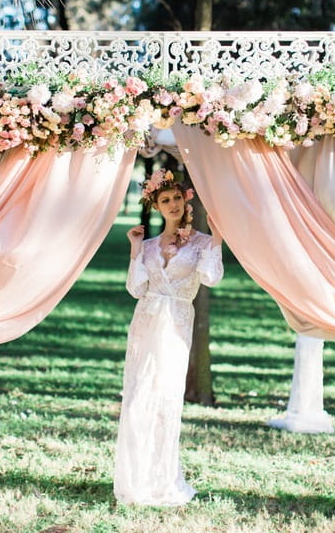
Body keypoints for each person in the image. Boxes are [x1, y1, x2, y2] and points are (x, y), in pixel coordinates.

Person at [113, 168, 224, 506]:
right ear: (157, 206)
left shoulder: (201, 242)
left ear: (186, 202)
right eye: (166, 200)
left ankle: (161, 479)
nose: (173, 204)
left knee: (165, 398)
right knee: (138, 396)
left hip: (175, 322)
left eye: (177, 198)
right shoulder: (146, 245)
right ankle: (134, 480)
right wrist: (134, 248)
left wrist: (216, 240)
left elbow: (211, 277)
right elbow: (136, 288)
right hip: (145, 322)